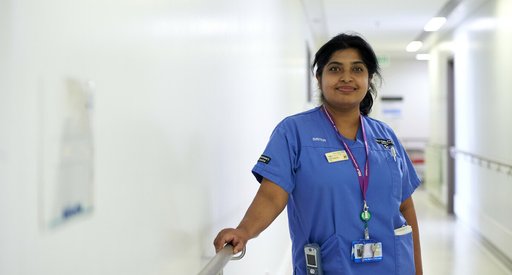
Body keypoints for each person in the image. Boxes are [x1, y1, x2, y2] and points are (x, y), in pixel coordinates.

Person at [213, 33, 423, 275]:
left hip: (395, 267)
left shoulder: (385, 137)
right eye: (335, 69)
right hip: (331, 266)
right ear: (319, 77)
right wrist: (244, 231)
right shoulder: (293, 132)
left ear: (369, 78)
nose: (347, 77)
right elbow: (272, 196)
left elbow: (406, 207)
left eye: (357, 69)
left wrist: (418, 270)